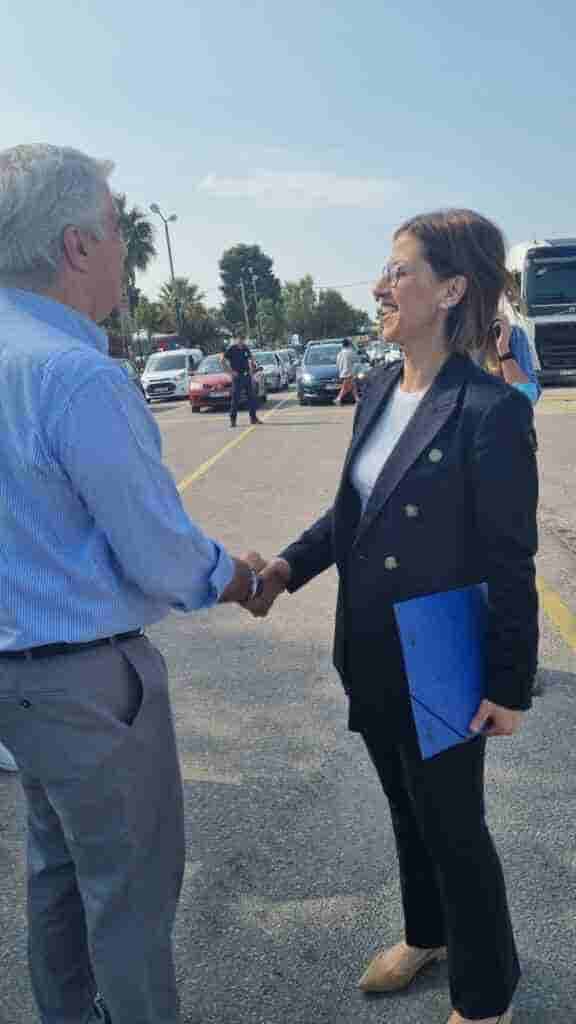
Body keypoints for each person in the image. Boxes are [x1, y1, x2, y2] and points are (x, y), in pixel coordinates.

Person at [245, 209, 538, 1024]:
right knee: (407, 811)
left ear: (451, 290)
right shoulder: (378, 388)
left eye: (399, 270)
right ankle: (428, 934)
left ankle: (487, 997)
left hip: (441, 648)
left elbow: (512, 561)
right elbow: (353, 512)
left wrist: (509, 684)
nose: (380, 284)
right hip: (371, 640)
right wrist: (286, 569)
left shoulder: (490, 409)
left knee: (455, 827)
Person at [0, 144, 263, 1024]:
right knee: (130, 892)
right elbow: (160, 555)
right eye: (116, 227)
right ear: (77, 245)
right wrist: (240, 578)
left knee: (57, 874)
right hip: (86, 684)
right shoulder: (73, 375)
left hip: (17, 685)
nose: (123, 246)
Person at [222, 330, 262, 427]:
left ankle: (253, 418)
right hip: (238, 377)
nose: (241, 340)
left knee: (251, 398)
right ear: (236, 339)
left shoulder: (245, 348)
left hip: (247, 376)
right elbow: (222, 361)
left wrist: (253, 368)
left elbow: (251, 359)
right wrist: (231, 372)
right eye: (240, 338)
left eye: (243, 339)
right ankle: (233, 420)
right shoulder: (231, 349)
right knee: (235, 399)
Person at [335, 337, 358, 404]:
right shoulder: (350, 352)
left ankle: (357, 399)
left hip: (343, 372)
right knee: (346, 387)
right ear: (349, 344)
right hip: (348, 372)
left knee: (352, 386)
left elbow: (337, 363)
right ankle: (338, 398)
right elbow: (356, 360)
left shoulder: (340, 353)